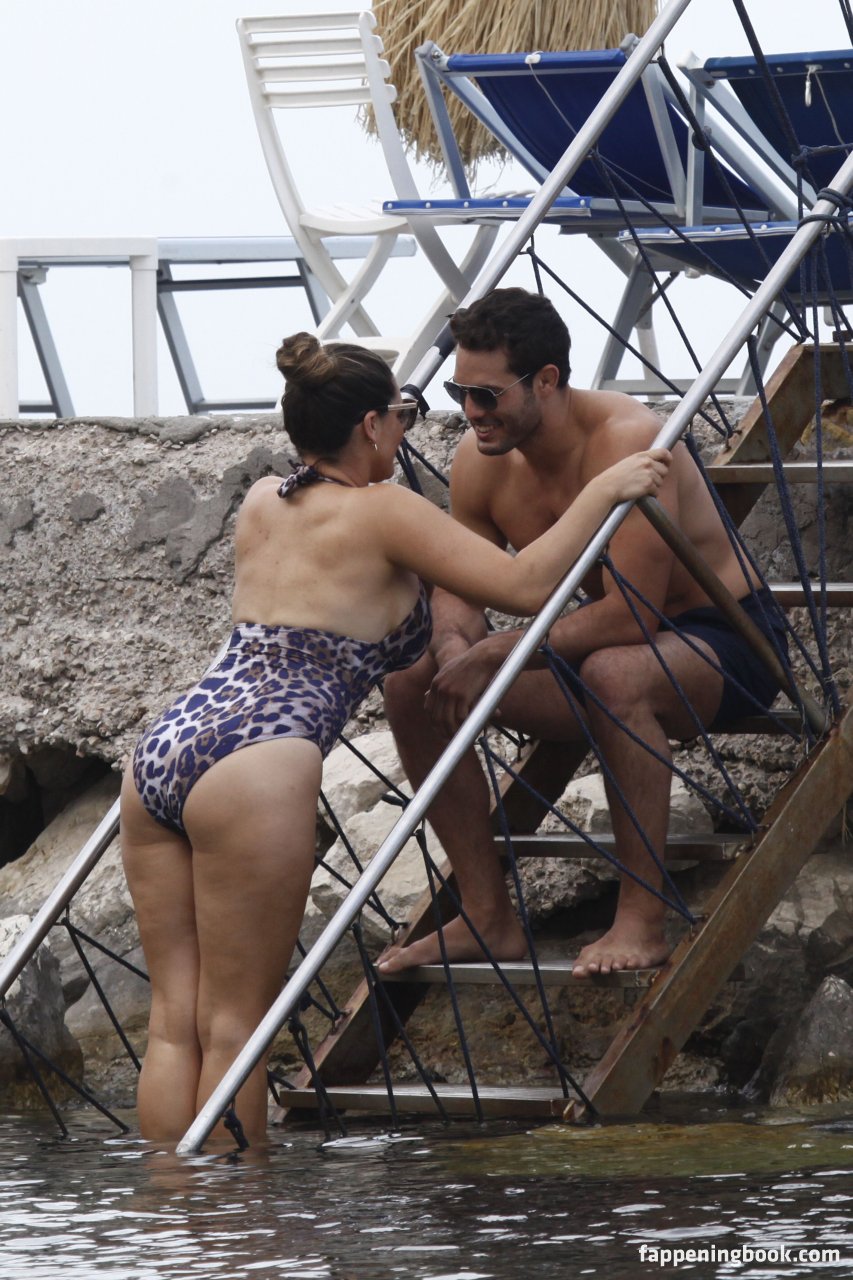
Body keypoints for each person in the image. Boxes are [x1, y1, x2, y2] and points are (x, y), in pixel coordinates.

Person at [119, 330, 670, 1144]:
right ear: (371, 426)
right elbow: (523, 584)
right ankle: (237, 1219)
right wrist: (605, 490)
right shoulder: (383, 511)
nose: (407, 433)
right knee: (237, 1030)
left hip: (167, 748)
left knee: (176, 1024)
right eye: (403, 417)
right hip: (256, 759)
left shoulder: (265, 498)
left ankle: (170, 1211)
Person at [378, 287, 788, 981]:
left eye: (486, 395)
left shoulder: (627, 441)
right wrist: (452, 648)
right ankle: (485, 916)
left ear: (546, 380)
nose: (470, 412)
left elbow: (633, 616)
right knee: (412, 682)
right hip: (602, 647)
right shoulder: (480, 459)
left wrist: (496, 651)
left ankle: (641, 919)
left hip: (725, 639)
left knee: (613, 672)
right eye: (458, 392)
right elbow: (459, 587)